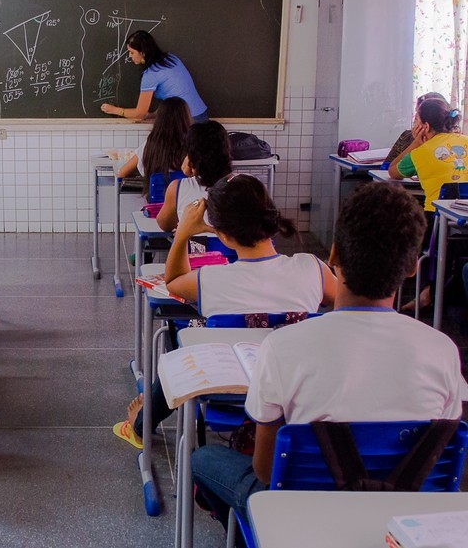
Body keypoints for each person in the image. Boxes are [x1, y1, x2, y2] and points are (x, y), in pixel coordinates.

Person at [191, 182, 462, 537]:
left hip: (302, 512)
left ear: (333, 255)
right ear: (412, 267)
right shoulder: (442, 350)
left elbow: (265, 467)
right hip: (403, 518)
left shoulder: (284, 346)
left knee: (203, 459)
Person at [115, 173, 336, 449]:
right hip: (300, 388)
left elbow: (172, 281)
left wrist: (184, 230)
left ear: (221, 234)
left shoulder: (211, 280)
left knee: (183, 348)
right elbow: (345, 308)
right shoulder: (312, 268)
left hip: (227, 388)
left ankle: (142, 424)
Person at [387, 93, 468, 311]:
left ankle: (424, 293)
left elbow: (393, 171)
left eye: (416, 119)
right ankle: (434, 293)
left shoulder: (421, 152)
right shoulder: (465, 141)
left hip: (438, 221)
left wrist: (414, 143)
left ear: (425, 125)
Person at [100, 30, 209, 123]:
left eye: (132, 52)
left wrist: (115, 110)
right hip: (202, 117)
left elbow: (140, 114)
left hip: (186, 122)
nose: (129, 56)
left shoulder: (151, 75)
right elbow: (172, 93)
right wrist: (153, 115)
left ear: (143, 53)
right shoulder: (171, 59)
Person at [155, 120, 233, 232]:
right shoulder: (247, 186)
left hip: (194, 249)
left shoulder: (177, 188)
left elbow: (164, 224)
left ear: (192, 159)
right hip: (232, 249)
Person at [115, 96, 192, 187]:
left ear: (159, 119)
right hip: (186, 199)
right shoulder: (194, 144)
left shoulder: (151, 144)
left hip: (156, 199)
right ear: (186, 118)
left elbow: (121, 173)